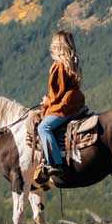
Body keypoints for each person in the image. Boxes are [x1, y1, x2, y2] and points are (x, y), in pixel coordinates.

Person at [37, 30, 86, 183]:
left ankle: (55, 162)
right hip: (75, 103)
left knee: (43, 128)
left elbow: (57, 93)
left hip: (65, 105)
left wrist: (46, 102)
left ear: (57, 46)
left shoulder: (59, 66)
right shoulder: (73, 63)